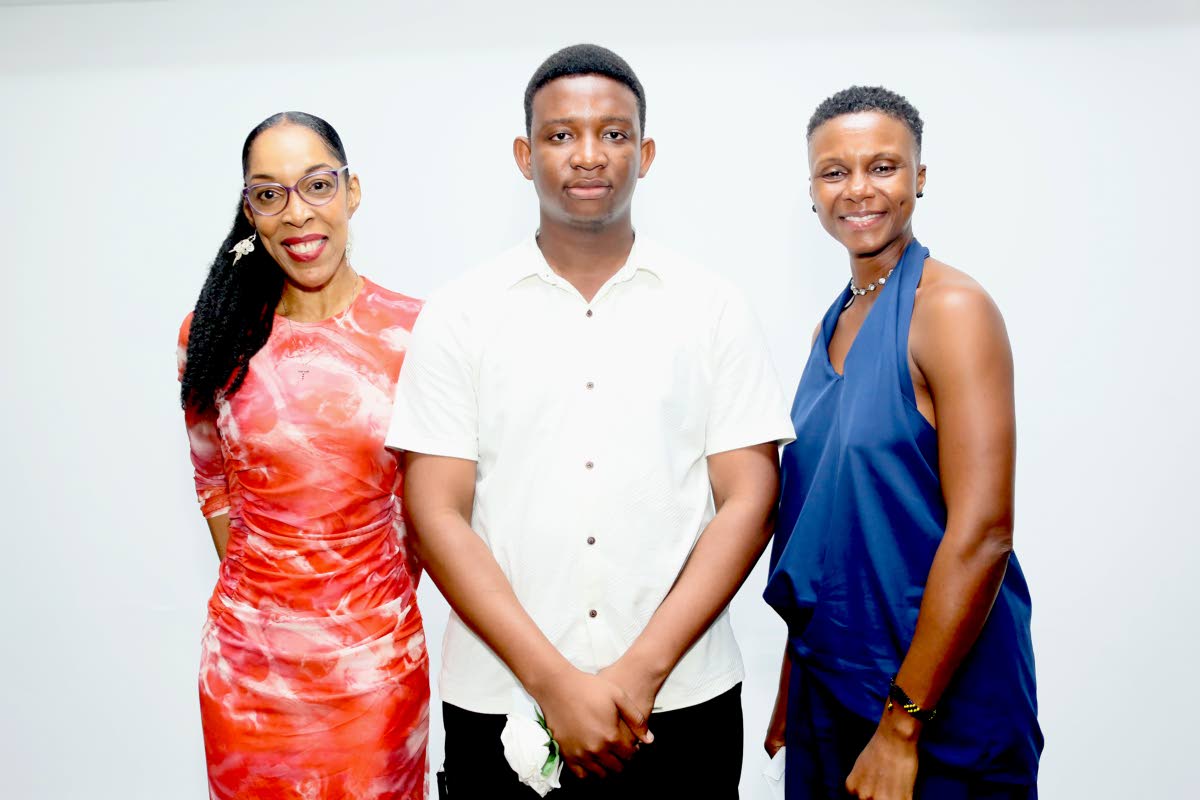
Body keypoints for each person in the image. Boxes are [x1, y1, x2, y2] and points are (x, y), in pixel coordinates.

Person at [386, 44, 794, 799]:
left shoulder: (712, 306)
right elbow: (434, 510)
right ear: (524, 153)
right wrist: (552, 682)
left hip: (683, 703)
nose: (587, 155)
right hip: (500, 700)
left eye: (612, 134)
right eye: (561, 134)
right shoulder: (460, 312)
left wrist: (639, 672)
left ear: (645, 153)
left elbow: (750, 495)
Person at [763, 86, 1043, 799]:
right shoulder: (835, 322)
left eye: (883, 166)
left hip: (935, 700)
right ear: (812, 191)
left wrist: (903, 726)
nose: (858, 189)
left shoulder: (951, 309)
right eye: (834, 172)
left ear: (920, 177)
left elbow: (983, 534)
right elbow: (824, 519)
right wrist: (796, 676)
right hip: (837, 685)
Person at [177, 112, 429, 800]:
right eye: (269, 193)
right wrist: (275, 613)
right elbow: (216, 492)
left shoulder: (418, 334)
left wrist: (358, 613)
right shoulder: (211, 335)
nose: (297, 213)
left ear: (352, 192)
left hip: (375, 671)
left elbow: (435, 513)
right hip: (247, 680)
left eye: (317, 185)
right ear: (249, 210)